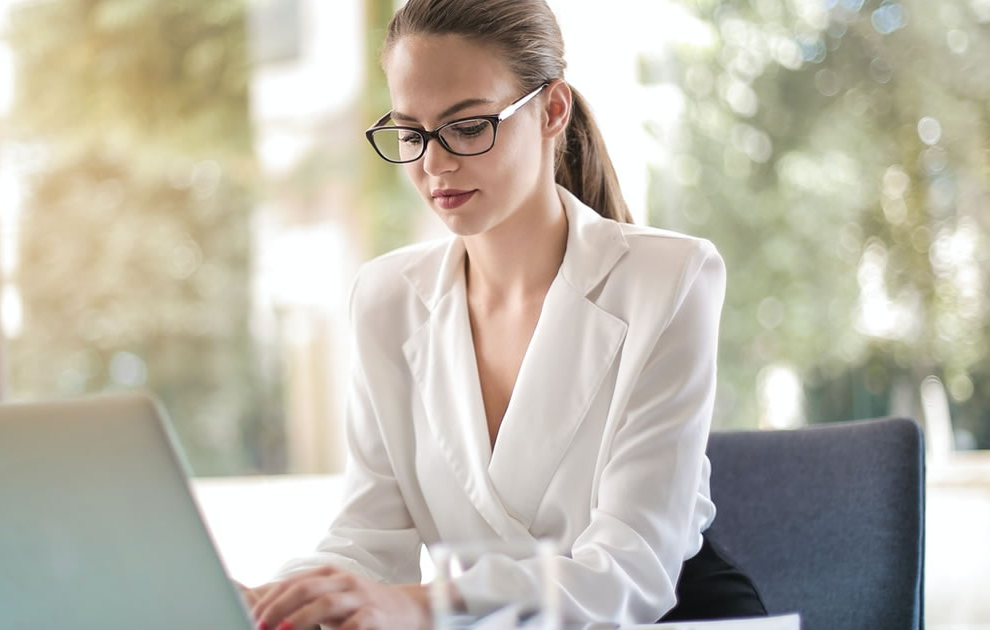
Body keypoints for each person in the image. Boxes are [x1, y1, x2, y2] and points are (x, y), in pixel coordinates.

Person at [243, 1, 766, 628]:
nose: (433, 164)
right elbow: (367, 540)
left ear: (552, 111)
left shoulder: (671, 279)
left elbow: (631, 571)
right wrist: (263, 602)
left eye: (466, 127)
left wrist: (421, 608)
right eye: (411, 134)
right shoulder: (386, 298)